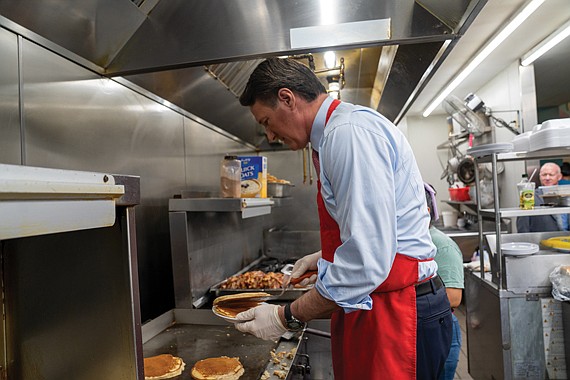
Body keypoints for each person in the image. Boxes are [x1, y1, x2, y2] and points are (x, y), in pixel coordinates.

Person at [234, 57, 452, 379]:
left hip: (401, 310)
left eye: (266, 121)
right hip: (384, 302)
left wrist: (286, 316)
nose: (269, 135)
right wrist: (326, 256)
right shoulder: (333, 135)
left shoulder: (347, 134)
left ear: (287, 98)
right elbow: (381, 232)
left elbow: (366, 261)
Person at [424, 183, 465, 380]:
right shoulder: (411, 242)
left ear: (425, 211)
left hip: (440, 328)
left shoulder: (441, 245)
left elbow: (454, 297)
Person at [517, 162, 569, 232]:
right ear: (540, 177)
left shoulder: (567, 194)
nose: (547, 178)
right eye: (544, 175)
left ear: (559, 177)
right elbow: (523, 224)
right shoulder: (530, 197)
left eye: (551, 175)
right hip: (541, 240)